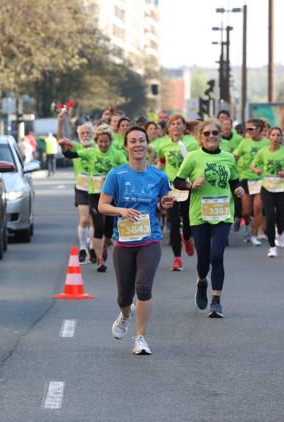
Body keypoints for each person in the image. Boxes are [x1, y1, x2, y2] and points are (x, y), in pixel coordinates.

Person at [98, 126, 174, 355]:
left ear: (147, 144)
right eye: (133, 141)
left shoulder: (159, 176)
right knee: (124, 295)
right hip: (123, 241)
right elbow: (102, 205)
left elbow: (162, 204)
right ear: (126, 146)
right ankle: (126, 313)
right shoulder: (116, 174)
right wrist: (120, 211)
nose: (138, 144)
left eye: (142, 140)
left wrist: (165, 204)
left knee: (143, 287)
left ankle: (140, 337)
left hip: (149, 238)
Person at [173, 120, 245, 318]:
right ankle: (202, 281)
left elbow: (234, 180)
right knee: (203, 259)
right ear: (200, 137)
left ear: (221, 136)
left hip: (223, 213)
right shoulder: (193, 158)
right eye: (207, 133)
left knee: (217, 256)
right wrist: (190, 185)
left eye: (215, 133)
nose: (211, 136)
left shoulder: (229, 157)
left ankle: (216, 301)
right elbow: (178, 181)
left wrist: (238, 188)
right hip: (199, 215)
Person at [61, 124, 126, 272]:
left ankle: (105, 243)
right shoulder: (91, 152)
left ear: (110, 141)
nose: (103, 144)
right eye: (101, 142)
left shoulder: (117, 154)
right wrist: (64, 147)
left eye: (106, 142)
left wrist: (114, 178)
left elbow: (125, 170)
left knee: (108, 230)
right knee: (99, 227)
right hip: (94, 194)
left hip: (111, 195)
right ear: (97, 141)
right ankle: (100, 260)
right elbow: (69, 155)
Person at [154, 114, 198, 271]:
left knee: (187, 221)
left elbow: (197, 163)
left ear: (184, 126)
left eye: (179, 124)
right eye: (173, 124)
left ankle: (187, 238)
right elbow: (162, 163)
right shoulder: (163, 145)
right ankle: (177, 258)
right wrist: (153, 177)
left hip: (186, 185)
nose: (176, 126)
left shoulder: (192, 143)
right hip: (171, 186)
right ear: (169, 127)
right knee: (173, 222)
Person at [250, 126, 284, 257]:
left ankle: (280, 233)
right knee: (270, 217)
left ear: (281, 138)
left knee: (281, 218)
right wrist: (256, 170)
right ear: (269, 137)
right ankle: (272, 247)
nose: (276, 138)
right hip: (268, 189)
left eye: (278, 135)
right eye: (273, 135)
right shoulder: (263, 152)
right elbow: (253, 165)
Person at [58, 106, 96, 263]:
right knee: (84, 219)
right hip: (81, 188)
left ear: (93, 135)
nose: (85, 135)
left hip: (97, 188)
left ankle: (93, 246)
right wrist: (60, 122)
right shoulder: (77, 147)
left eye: (88, 133)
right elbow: (61, 140)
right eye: (83, 133)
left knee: (95, 221)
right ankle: (82, 248)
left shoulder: (99, 148)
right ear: (79, 136)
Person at [233, 118, 269, 246]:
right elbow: (234, 157)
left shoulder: (267, 143)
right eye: (246, 129)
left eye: (250, 129)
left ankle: (254, 235)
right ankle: (248, 226)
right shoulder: (244, 143)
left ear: (259, 129)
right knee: (246, 211)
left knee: (258, 208)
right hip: (246, 179)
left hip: (261, 180)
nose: (247, 131)